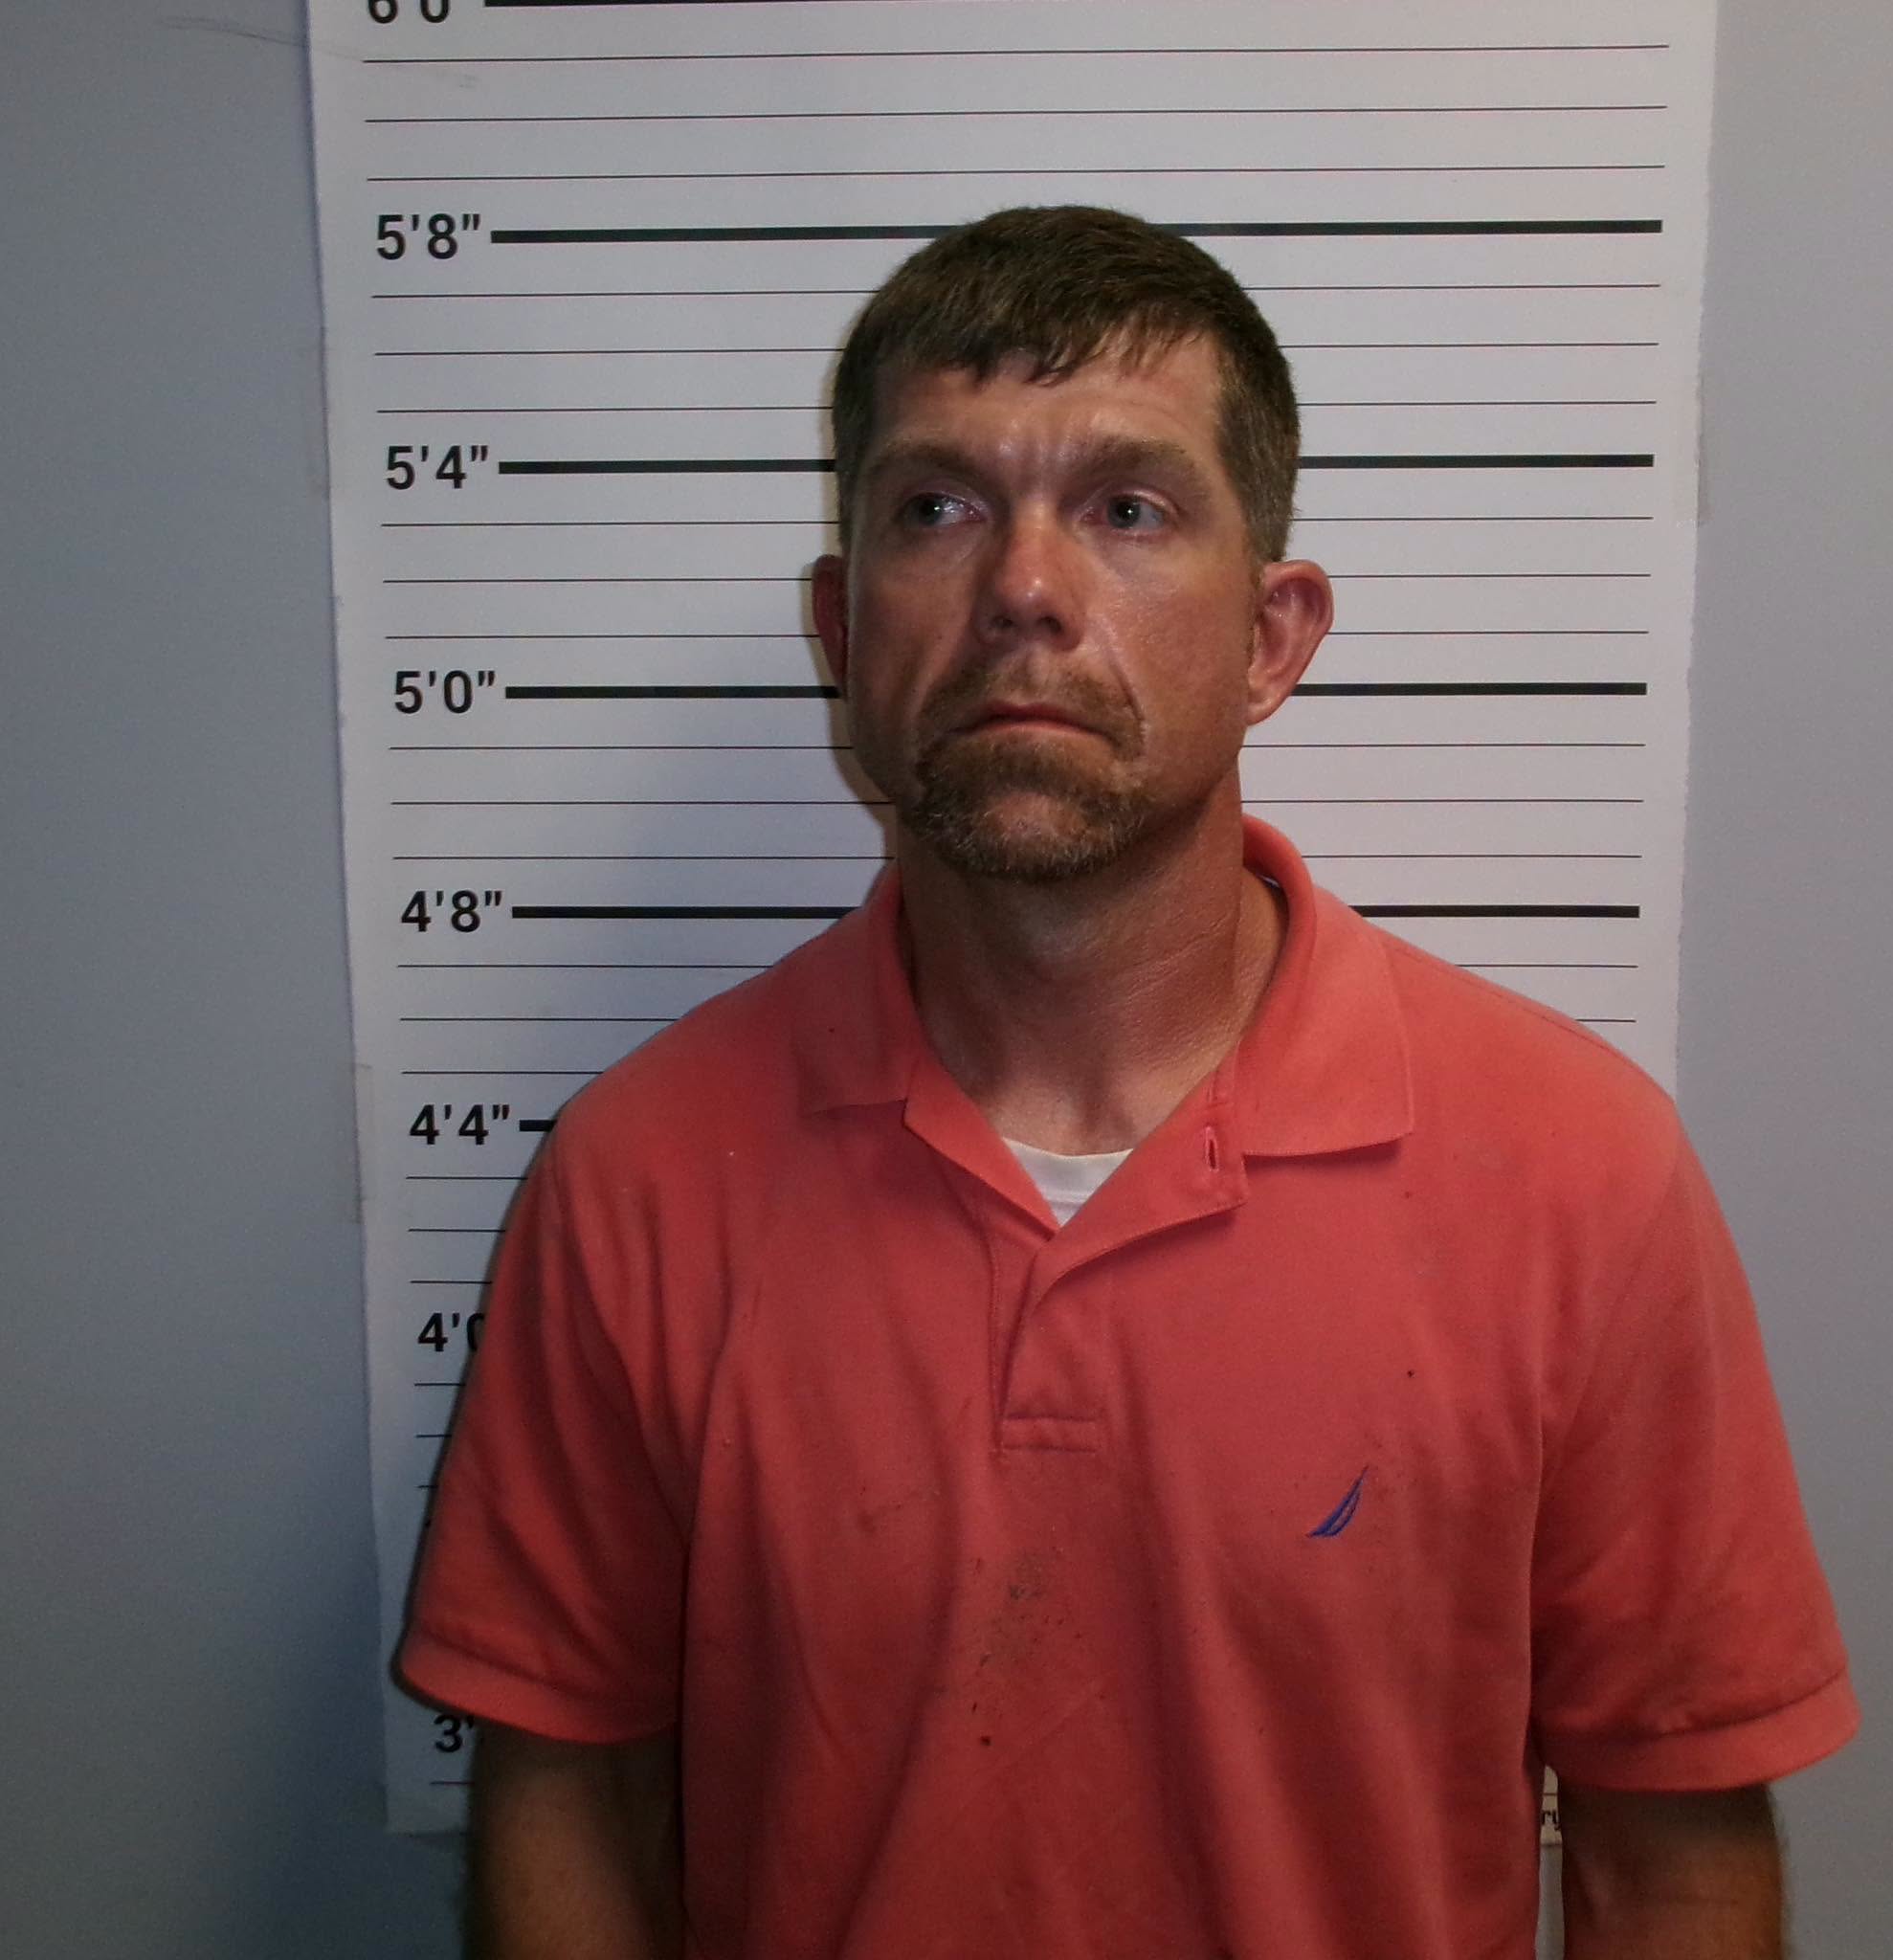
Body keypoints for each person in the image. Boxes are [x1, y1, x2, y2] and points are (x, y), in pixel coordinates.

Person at [397, 206, 1857, 1959]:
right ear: (841, 625)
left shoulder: (1575, 1173)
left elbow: (1669, 1850)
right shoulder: (639, 1174)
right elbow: (571, 1795)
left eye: (1127, 508)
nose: (1022, 587)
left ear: (1270, 637)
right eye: (935, 508)